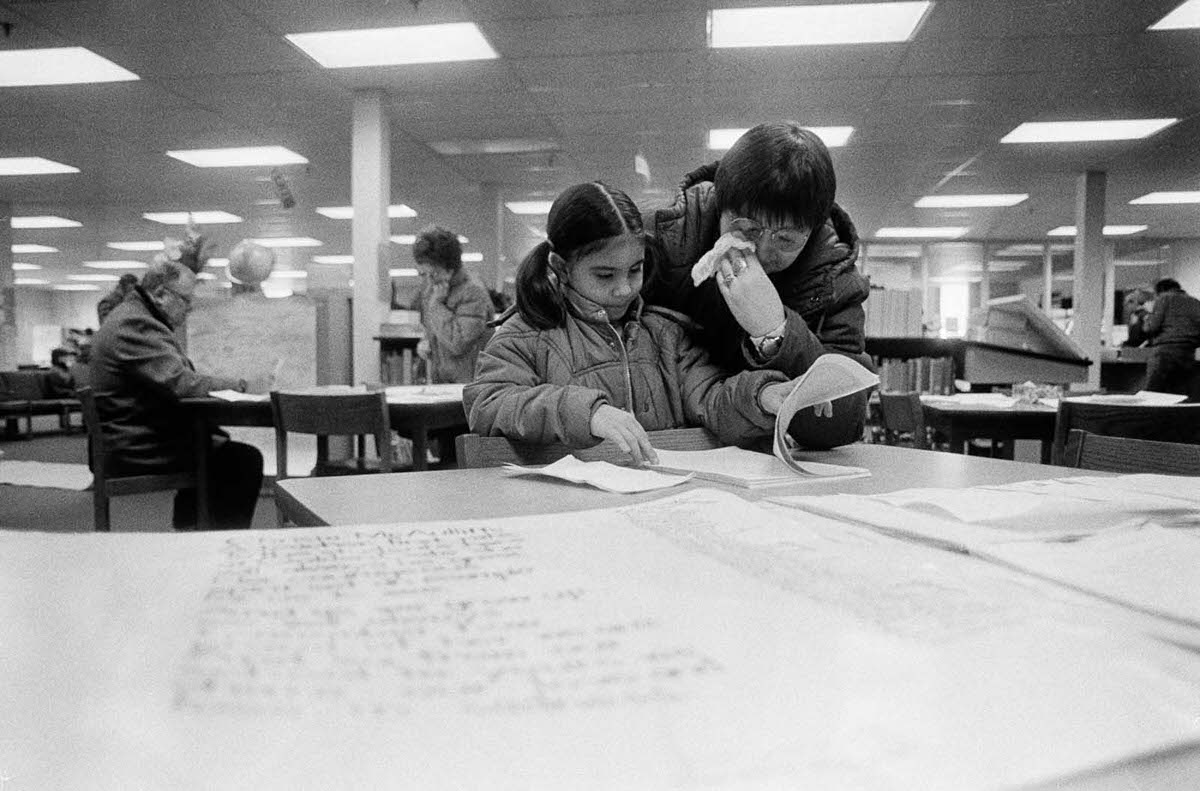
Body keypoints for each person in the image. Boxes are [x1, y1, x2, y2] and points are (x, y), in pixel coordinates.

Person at [465, 181, 815, 465]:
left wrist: (761, 395)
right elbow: (489, 401)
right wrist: (588, 414)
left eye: (636, 270)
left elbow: (710, 397)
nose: (624, 289)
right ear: (560, 267)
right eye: (604, 275)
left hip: (658, 501)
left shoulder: (666, 334)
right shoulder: (526, 334)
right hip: (570, 514)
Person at [642, 121, 873, 450]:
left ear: (811, 233)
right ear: (720, 206)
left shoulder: (835, 282)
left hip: (762, 458)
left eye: (785, 239)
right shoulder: (666, 238)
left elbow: (845, 423)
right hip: (667, 444)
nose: (762, 253)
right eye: (745, 229)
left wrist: (776, 332)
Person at [89, 258, 267, 530]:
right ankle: (220, 544)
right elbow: (182, 384)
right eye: (186, 299)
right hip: (135, 446)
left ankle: (191, 533)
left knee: (214, 448)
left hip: (130, 436)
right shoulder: (136, 324)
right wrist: (241, 385)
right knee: (242, 460)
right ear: (160, 294)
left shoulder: (131, 316)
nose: (190, 306)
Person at [411, 225, 494, 384]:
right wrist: (426, 343)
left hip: (470, 387)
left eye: (433, 273)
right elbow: (433, 332)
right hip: (443, 384)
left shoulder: (473, 292)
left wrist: (436, 306)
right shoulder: (434, 289)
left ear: (450, 268)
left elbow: (458, 343)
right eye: (423, 274)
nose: (429, 280)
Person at [1143, 277, 1200, 395]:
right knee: (1179, 394)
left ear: (1161, 290)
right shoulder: (1195, 302)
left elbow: (1151, 327)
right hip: (1188, 353)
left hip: (1164, 352)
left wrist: (1148, 316)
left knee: (1153, 393)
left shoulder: (1164, 298)